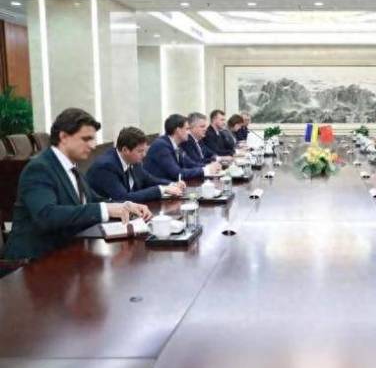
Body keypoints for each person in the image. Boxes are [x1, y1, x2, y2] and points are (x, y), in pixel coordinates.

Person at [2, 108, 152, 260]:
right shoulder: (40, 168)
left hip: (66, 255)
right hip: (32, 263)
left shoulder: (72, 167)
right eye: (86, 139)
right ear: (64, 137)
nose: (93, 145)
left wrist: (126, 205)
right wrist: (106, 209)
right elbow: (47, 215)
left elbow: (92, 200)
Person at [87, 127, 184, 203]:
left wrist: (171, 184)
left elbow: (148, 179)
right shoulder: (106, 166)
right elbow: (123, 198)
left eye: (144, 150)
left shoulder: (133, 161)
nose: (144, 155)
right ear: (125, 150)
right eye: (140, 151)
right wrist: (161, 190)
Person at [144, 114, 221, 181]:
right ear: (178, 130)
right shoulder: (161, 146)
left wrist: (209, 167)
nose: (189, 132)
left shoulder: (175, 144)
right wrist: (205, 170)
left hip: (173, 186)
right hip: (160, 188)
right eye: (187, 129)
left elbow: (190, 164)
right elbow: (177, 173)